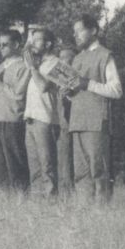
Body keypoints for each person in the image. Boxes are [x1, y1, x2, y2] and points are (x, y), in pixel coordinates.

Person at [65, 13, 122, 206]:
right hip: (77, 121)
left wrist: (87, 84)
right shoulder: (77, 58)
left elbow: (116, 90)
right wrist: (68, 91)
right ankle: (84, 215)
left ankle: (102, 214)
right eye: (74, 32)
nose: (76, 35)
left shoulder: (105, 55)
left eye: (80, 30)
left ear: (94, 31)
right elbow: (77, 89)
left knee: (99, 170)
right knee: (80, 172)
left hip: (96, 122)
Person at [0, 29, 31, 193]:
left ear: (16, 45)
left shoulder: (24, 67)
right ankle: (5, 203)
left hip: (13, 120)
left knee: (15, 164)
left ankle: (21, 200)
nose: (0, 48)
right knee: (0, 165)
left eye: (4, 45)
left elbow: (18, 95)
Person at [22, 27, 62, 197]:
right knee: (34, 166)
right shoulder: (36, 62)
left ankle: (51, 202)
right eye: (32, 39)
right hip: (30, 119)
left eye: (37, 39)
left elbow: (44, 86)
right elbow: (25, 50)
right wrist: (30, 45)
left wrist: (32, 68)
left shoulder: (56, 63)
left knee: (47, 165)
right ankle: (39, 205)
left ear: (48, 44)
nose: (33, 43)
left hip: (45, 120)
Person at [55, 43, 78, 195]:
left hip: (76, 124)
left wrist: (70, 96)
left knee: (75, 161)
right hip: (61, 125)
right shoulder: (57, 79)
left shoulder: (79, 79)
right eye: (61, 58)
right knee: (63, 161)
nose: (63, 62)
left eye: (67, 59)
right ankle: (65, 194)